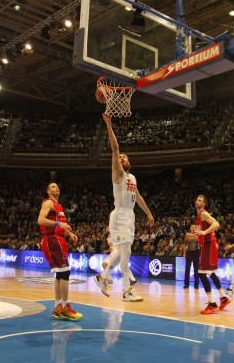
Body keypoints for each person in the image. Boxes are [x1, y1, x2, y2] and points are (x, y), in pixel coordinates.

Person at [94, 113, 153, 303]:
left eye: (125, 157)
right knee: (125, 252)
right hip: (119, 214)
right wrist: (109, 124)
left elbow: (139, 197)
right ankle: (126, 291)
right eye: (120, 157)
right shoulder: (117, 173)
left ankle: (104, 277)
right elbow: (115, 147)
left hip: (129, 216)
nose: (122, 157)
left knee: (123, 252)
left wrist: (149, 213)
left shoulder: (132, 178)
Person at [38, 182, 82, 320]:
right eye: (53, 187)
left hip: (58, 238)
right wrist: (59, 224)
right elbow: (40, 220)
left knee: (60, 274)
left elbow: (61, 225)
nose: (56, 187)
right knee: (65, 272)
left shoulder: (59, 206)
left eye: (57, 186)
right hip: (52, 240)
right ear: (48, 192)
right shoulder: (48, 203)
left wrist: (69, 233)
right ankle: (64, 308)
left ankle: (58, 307)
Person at [188, 195, 231, 314]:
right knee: (211, 273)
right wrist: (194, 236)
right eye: (196, 199)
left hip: (210, 244)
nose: (197, 201)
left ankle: (212, 303)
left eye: (200, 200)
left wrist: (205, 232)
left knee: (201, 274)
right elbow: (202, 233)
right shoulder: (199, 216)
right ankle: (223, 298)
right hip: (209, 244)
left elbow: (216, 224)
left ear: (204, 204)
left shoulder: (203, 214)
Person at [182, 224, 200, 289]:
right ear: (190, 228)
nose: (193, 228)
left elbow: (201, 244)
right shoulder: (187, 235)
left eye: (194, 227)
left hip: (196, 252)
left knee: (196, 269)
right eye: (192, 227)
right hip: (189, 252)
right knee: (187, 269)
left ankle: (196, 284)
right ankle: (186, 284)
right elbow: (184, 244)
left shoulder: (198, 235)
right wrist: (184, 253)